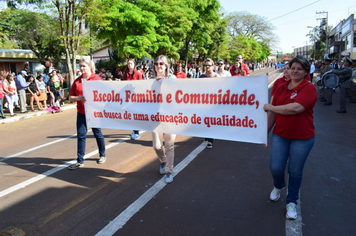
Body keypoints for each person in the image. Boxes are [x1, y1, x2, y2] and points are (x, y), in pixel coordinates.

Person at [263, 56, 317, 220]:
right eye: (292, 67)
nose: (294, 71)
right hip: (280, 135)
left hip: (302, 138)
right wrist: (264, 133)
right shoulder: (280, 88)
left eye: (299, 69)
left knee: (295, 171)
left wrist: (272, 106)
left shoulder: (309, 88)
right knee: (276, 168)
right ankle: (278, 185)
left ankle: (291, 201)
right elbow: (273, 113)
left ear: (306, 72)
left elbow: (296, 108)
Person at [68, 58, 106, 170]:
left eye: (84, 66)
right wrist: (78, 98)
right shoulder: (77, 81)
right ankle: (80, 160)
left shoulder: (96, 79)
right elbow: (70, 97)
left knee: (97, 133)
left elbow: (104, 95)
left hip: (94, 113)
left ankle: (102, 154)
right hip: (81, 112)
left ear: (90, 66)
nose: (82, 68)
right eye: (80, 66)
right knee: (81, 135)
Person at [152, 55, 177, 183]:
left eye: (161, 63)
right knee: (156, 146)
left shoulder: (173, 79)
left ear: (166, 66)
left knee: (169, 145)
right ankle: (163, 160)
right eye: (156, 63)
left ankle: (169, 170)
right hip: (156, 118)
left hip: (171, 117)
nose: (158, 66)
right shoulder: (150, 81)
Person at [200, 58, 219, 149]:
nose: (207, 67)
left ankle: (210, 140)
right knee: (205, 120)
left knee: (211, 120)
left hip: (213, 103)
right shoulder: (201, 76)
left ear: (213, 66)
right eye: (205, 65)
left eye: (209, 65)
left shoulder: (216, 76)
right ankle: (207, 136)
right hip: (204, 102)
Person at [123, 58, 143, 139]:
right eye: (128, 64)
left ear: (134, 65)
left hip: (135, 99)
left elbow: (140, 85)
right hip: (128, 98)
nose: (129, 65)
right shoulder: (126, 74)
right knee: (130, 115)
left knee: (135, 115)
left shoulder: (138, 74)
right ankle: (134, 130)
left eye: (131, 63)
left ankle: (136, 132)